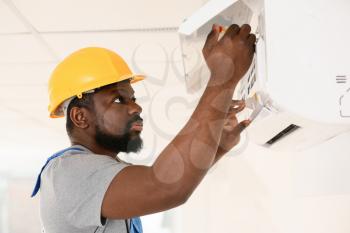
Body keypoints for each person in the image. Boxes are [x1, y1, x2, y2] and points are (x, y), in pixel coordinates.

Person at [31, 24, 256, 233]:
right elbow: (165, 187)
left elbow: (168, 181)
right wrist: (223, 77)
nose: (135, 107)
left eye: (133, 98)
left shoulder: (99, 171)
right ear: (80, 116)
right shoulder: (70, 174)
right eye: (119, 100)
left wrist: (218, 145)